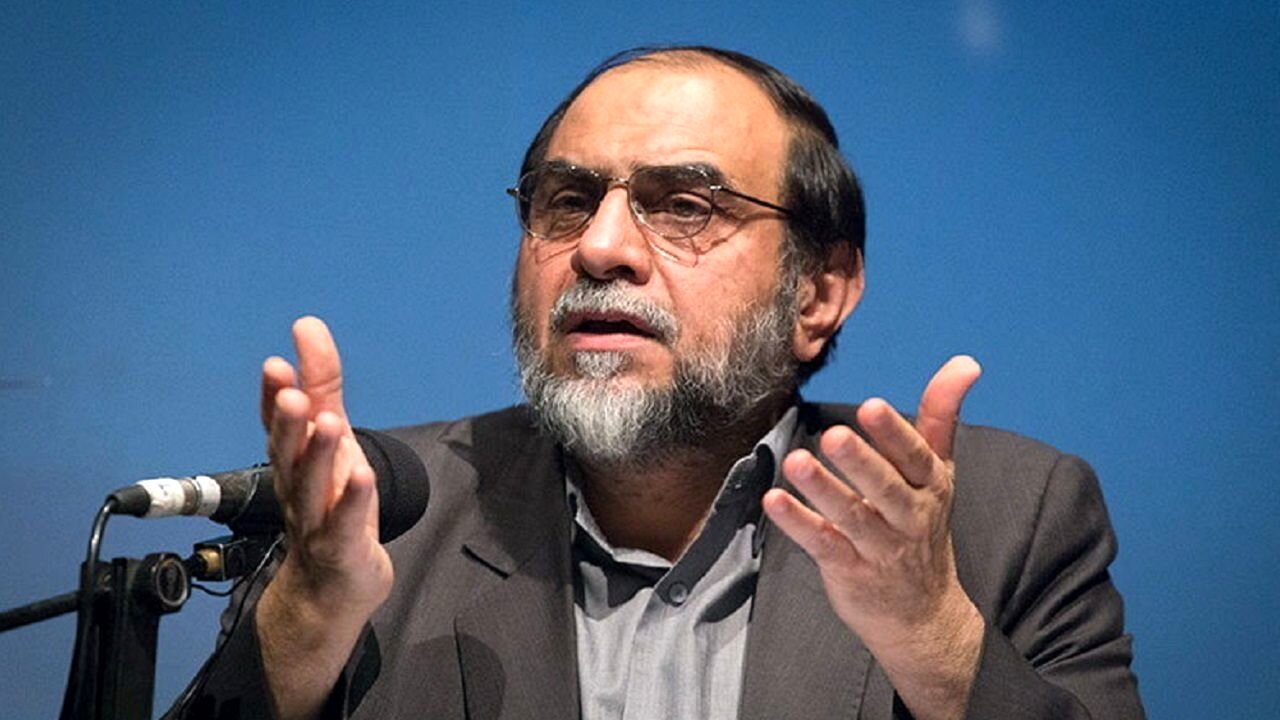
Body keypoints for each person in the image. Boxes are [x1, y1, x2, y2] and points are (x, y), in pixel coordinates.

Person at [184, 46, 1144, 719]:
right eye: (567, 201)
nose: (600, 247)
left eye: (684, 206)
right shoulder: (377, 515)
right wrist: (308, 611)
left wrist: (932, 636)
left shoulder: (1009, 518)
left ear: (819, 291)